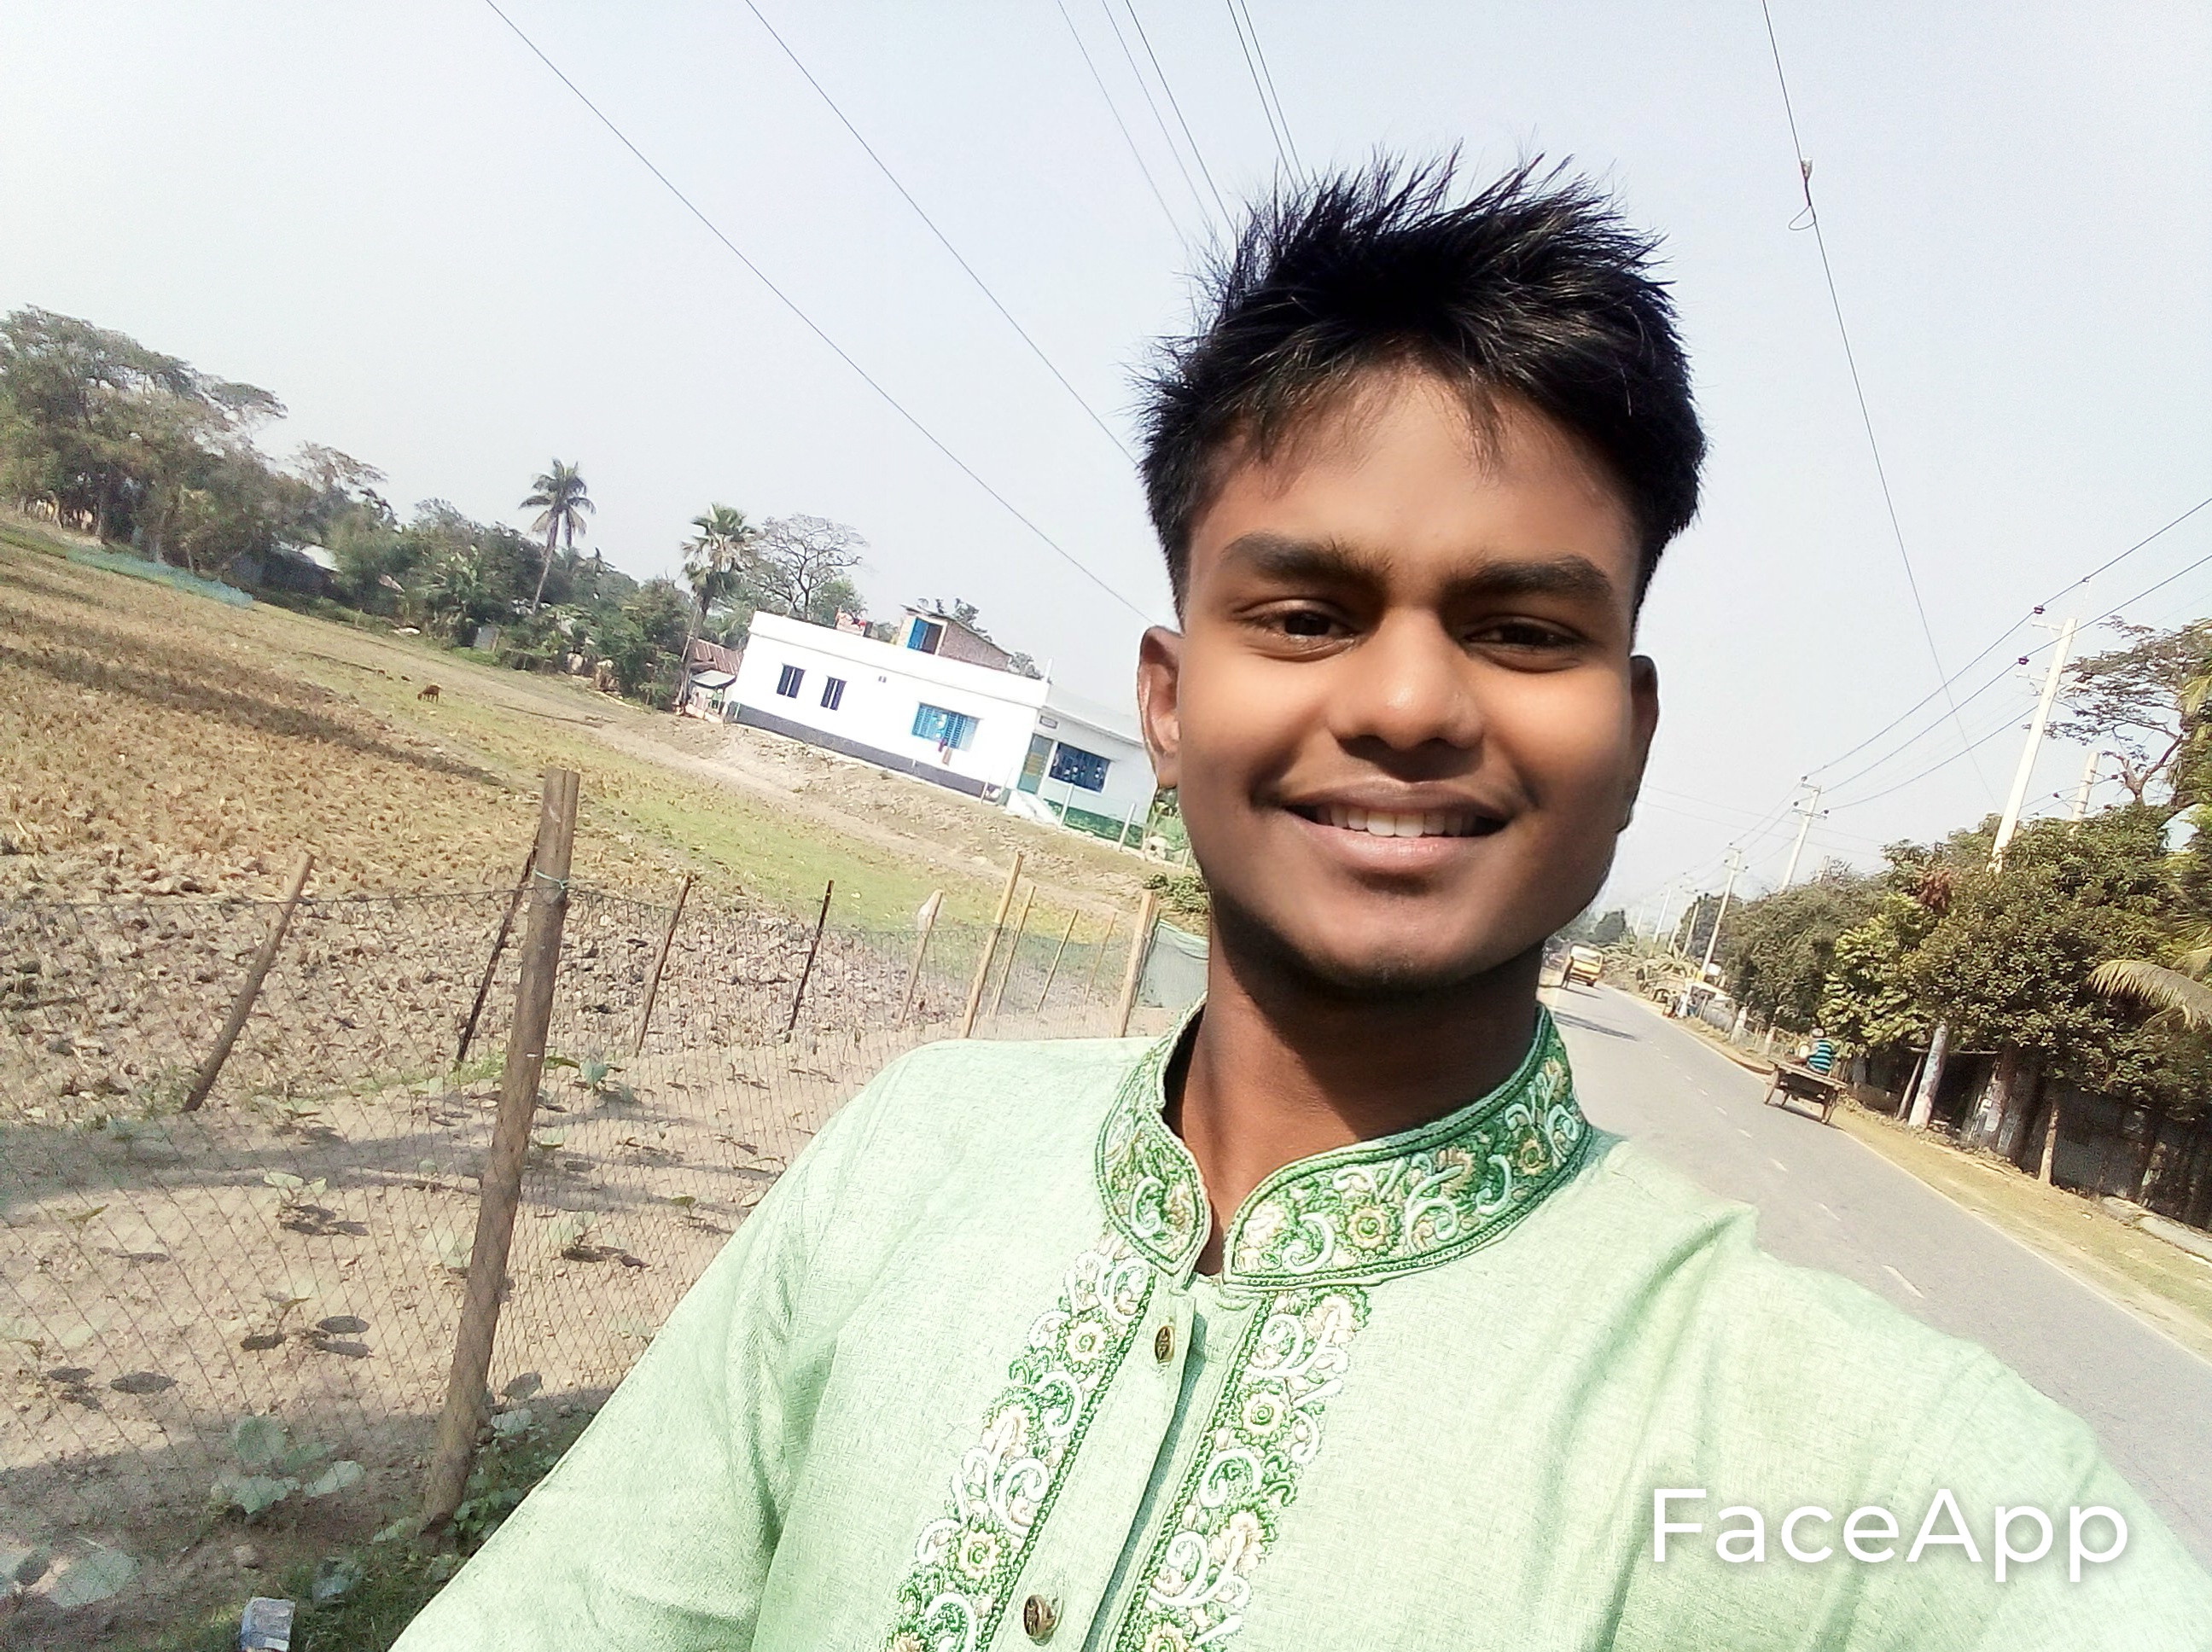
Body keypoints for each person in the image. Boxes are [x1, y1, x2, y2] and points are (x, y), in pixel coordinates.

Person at [393, 160, 2210, 1649]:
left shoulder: (1831, 1438)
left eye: (1523, 629)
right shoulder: (903, 1162)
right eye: (1306, 615)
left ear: (1632, 736)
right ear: (1170, 701)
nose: (1408, 702)